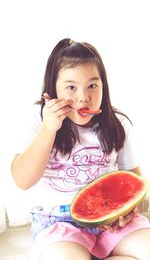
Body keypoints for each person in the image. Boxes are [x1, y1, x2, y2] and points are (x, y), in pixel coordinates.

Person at [11, 38, 150, 260]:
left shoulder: (118, 124)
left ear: (104, 86)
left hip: (110, 221)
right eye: (71, 87)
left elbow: (133, 181)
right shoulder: (39, 122)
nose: (84, 97)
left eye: (92, 86)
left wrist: (126, 212)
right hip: (58, 225)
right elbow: (22, 180)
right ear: (52, 89)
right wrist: (49, 129)